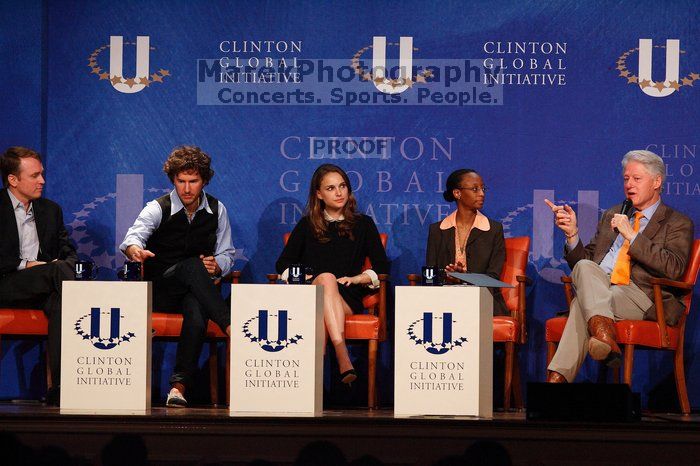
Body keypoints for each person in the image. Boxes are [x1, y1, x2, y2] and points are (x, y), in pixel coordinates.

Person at [544, 150, 694, 383]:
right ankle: (604, 334)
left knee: (582, 303)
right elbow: (587, 264)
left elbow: (674, 267)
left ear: (656, 182)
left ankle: (556, 381)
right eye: (626, 179)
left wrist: (632, 237)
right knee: (585, 268)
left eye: (637, 179)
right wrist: (573, 234)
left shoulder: (677, 222)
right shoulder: (613, 213)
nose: (629, 185)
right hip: (602, 287)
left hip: (642, 296)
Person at [120, 145, 235, 407]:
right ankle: (231, 327)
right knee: (192, 266)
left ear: (204, 180)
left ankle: (178, 388)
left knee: (196, 308)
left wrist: (217, 266)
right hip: (162, 289)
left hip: (196, 292)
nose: (186, 188)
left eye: (193, 181)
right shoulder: (158, 208)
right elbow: (132, 238)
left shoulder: (218, 210)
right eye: (180, 181)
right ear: (173, 180)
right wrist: (135, 250)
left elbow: (227, 254)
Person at [276, 164, 389, 384]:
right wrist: (308, 278)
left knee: (329, 283)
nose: (338, 193)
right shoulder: (307, 225)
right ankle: (342, 355)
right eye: (330, 188)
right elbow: (283, 264)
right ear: (318, 194)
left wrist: (356, 278)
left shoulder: (363, 224)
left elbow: (382, 267)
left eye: (342, 186)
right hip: (312, 297)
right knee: (326, 278)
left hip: (347, 296)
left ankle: (313, 379)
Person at [0, 146, 77, 405]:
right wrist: (28, 264)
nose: (42, 181)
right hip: (7, 283)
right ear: (13, 179)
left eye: (42, 174)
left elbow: (68, 252)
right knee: (57, 272)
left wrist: (64, 264)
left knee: (60, 300)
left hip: (46, 284)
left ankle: (61, 387)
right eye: (35, 176)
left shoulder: (50, 210)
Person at [425, 169, 507, 315]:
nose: (482, 193)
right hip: (444, 302)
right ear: (457, 193)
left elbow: (493, 277)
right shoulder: (437, 230)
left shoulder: (494, 229)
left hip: (483, 301)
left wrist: (464, 278)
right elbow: (430, 276)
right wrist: (448, 277)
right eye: (475, 189)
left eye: (483, 189)